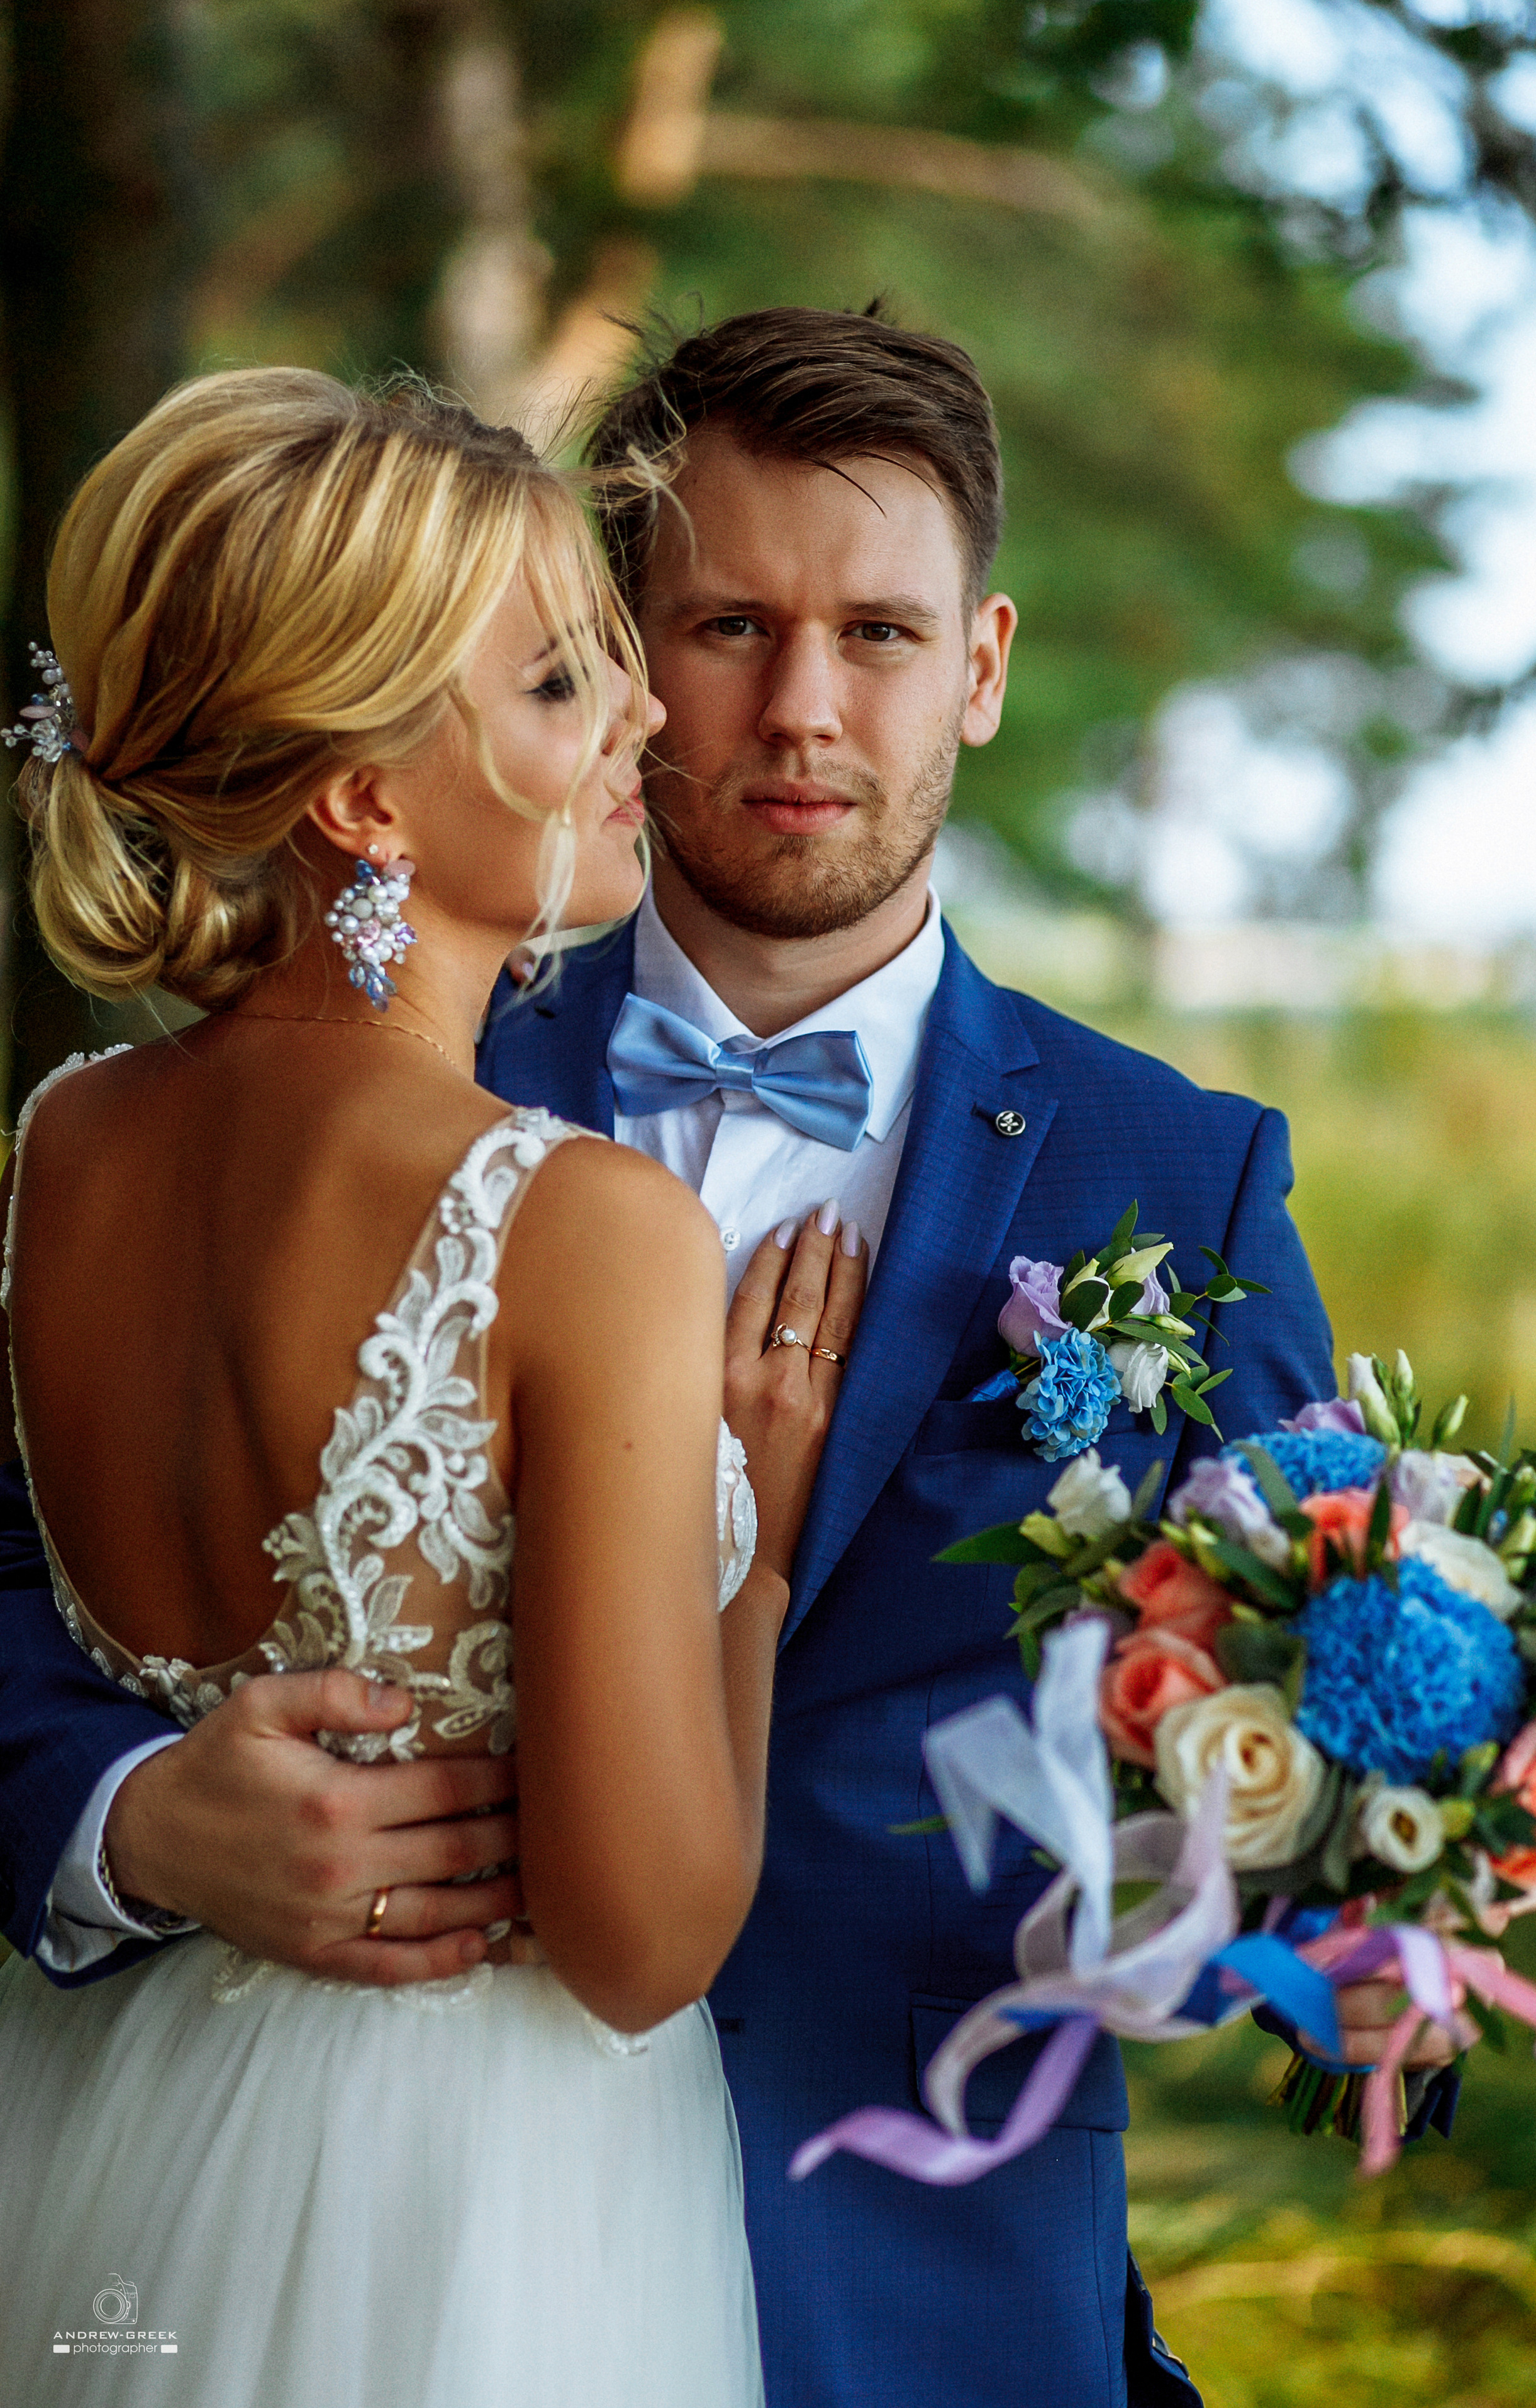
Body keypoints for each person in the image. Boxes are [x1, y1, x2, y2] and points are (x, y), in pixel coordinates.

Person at [0, 310, 1455, 2408]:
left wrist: (1365, 1916)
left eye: (880, 634)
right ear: (629, 648)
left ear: (982, 664)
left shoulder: (1179, 1179)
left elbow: (1335, 1704)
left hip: (937, 2315)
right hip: (384, 2250)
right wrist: (129, 1824)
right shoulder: (358, 1087)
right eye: (725, 627)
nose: (801, 709)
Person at [0, 364, 869, 2405]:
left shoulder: (62, 1146)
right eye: (563, 683)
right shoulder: (585, 1227)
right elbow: (641, 1943)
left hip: (116, 2129)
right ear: (364, 802)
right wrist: (750, 1562)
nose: (648, 716)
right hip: (477, 2212)